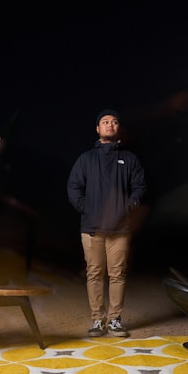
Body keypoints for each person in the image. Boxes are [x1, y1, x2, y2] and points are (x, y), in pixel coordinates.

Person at [67, 109, 147, 337]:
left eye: (114, 122)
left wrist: (129, 204)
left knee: (118, 273)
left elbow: (140, 186)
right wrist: (86, 208)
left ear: (118, 128)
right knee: (94, 273)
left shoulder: (129, 159)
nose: (110, 125)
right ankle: (96, 320)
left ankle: (114, 320)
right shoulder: (86, 159)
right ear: (98, 129)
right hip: (91, 227)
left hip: (120, 228)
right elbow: (73, 187)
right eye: (105, 122)